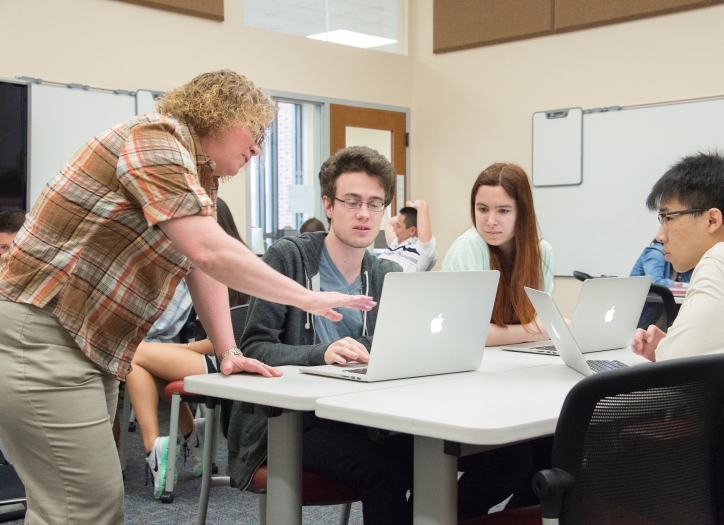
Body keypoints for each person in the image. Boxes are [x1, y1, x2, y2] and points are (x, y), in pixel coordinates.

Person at [0, 69, 374, 524]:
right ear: (220, 116)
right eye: (254, 132)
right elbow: (209, 250)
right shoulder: (155, 139)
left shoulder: (196, 175)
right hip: (40, 335)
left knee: (65, 505)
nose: (257, 148)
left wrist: (227, 349)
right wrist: (308, 298)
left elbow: (199, 264)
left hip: (80, 344)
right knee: (85, 508)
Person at [228, 146, 531, 524]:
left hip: (364, 415)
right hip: (291, 421)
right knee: (384, 470)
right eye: (351, 201)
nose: (363, 214)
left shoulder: (385, 273)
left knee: (505, 456)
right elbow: (255, 347)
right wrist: (320, 353)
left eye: (374, 204)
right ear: (328, 204)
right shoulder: (290, 258)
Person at [630, 152, 724, 521]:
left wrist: (664, 349)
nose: (660, 234)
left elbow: (672, 371)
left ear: (713, 219)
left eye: (668, 217)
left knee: (617, 472)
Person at [125, 197, 249, 498]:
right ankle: (189, 444)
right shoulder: (224, 259)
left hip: (231, 358)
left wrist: (182, 351)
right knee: (147, 362)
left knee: (134, 355)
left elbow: (232, 339)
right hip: (208, 352)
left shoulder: (222, 266)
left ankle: (155, 447)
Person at [442, 162, 555, 347]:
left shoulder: (542, 252)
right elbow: (469, 333)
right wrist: (538, 331)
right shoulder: (468, 247)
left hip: (520, 355)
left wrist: (542, 329)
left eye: (503, 210)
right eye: (482, 209)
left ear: (522, 212)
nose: (490, 221)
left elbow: (544, 320)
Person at [378, 200, 438, 272]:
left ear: (412, 230)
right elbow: (388, 223)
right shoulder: (396, 243)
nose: (394, 230)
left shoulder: (424, 251)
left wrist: (412, 206)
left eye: (398, 226)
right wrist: (410, 212)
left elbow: (422, 205)